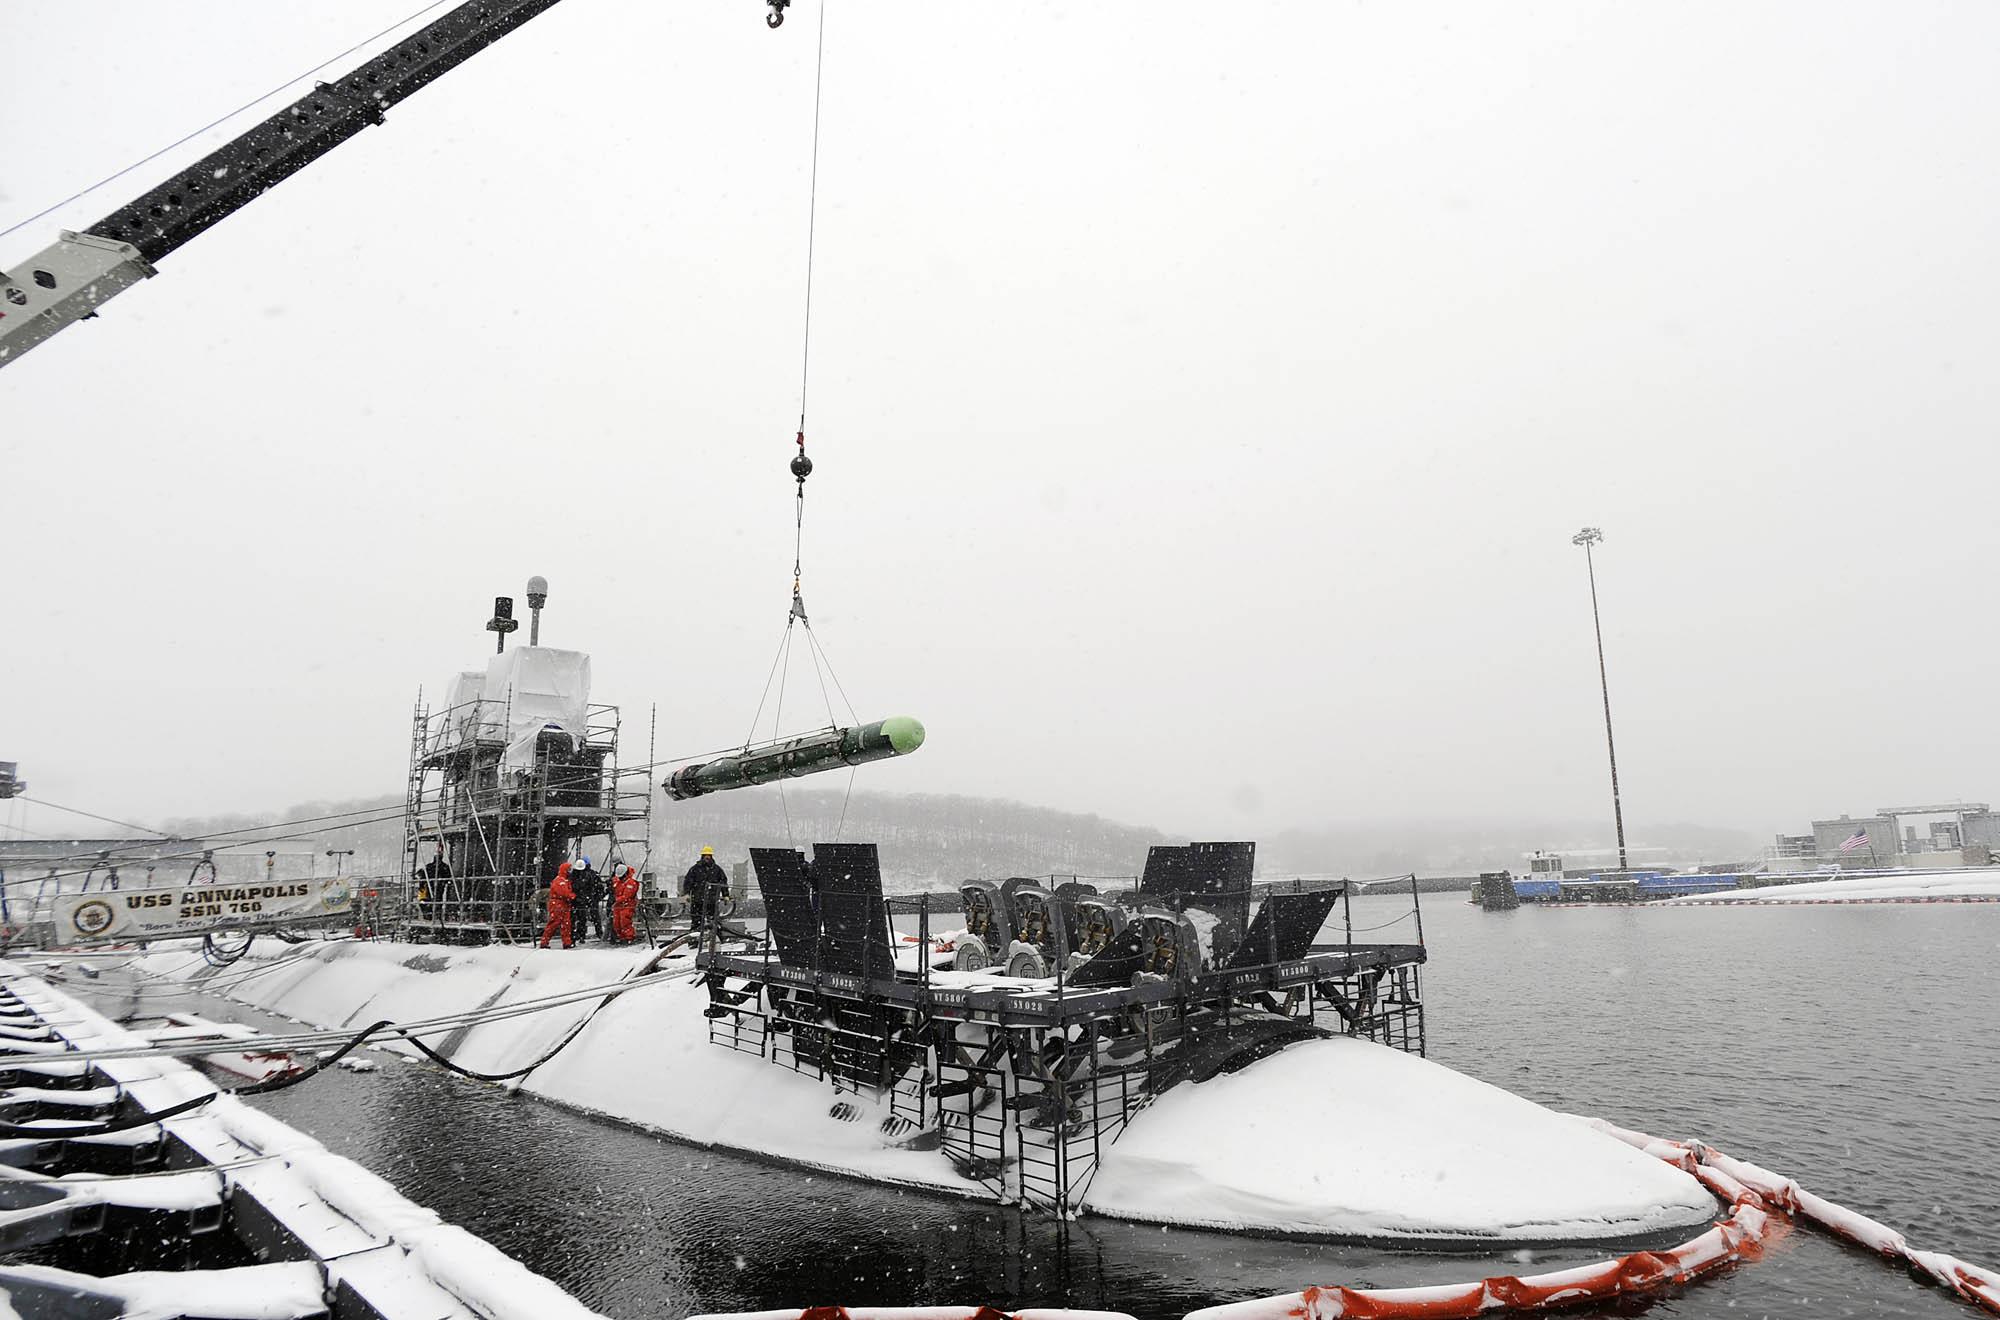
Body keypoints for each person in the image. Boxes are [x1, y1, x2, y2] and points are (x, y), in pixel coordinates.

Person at [683, 846, 728, 929]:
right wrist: (686, 894)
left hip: (712, 901)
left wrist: (726, 895)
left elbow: (723, 882)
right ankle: (695, 939)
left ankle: (715, 938)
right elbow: (688, 882)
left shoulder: (717, 870)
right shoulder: (695, 869)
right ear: (702, 856)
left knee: (714, 922)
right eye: (705, 855)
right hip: (697, 901)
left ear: (711, 857)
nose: (707, 857)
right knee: (696, 922)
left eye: (709, 855)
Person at [538, 860, 575, 949]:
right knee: (555, 923)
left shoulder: (563, 880)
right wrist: (572, 896)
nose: (570, 871)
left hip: (562, 904)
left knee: (565, 924)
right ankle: (545, 942)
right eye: (569, 869)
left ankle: (566, 943)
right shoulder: (560, 881)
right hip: (558, 904)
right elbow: (564, 893)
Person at [570, 855, 604, 942]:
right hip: (590, 899)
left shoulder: (575, 875)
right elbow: (599, 887)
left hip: (580, 900)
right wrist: (597, 897)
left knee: (580, 917)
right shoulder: (593, 874)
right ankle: (599, 933)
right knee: (593, 917)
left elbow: (574, 886)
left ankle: (580, 934)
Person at [610, 864, 641, 944]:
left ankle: (629, 937)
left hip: (628, 905)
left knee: (625, 921)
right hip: (618, 905)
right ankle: (621, 937)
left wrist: (616, 899)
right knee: (616, 922)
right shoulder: (618, 882)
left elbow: (627, 896)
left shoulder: (631, 883)